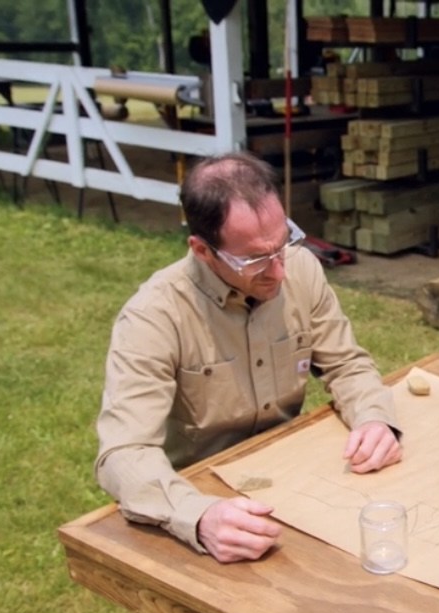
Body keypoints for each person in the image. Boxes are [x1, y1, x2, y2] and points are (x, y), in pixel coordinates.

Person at [94, 151, 402, 566]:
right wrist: (199, 516)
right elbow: (122, 453)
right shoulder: (154, 316)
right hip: (200, 497)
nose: (277, 271)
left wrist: (375, 418)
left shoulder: (301, 268)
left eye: (283, 243)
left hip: (292, 476)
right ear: (202, 250)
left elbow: (346, 364)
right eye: (255, 259)